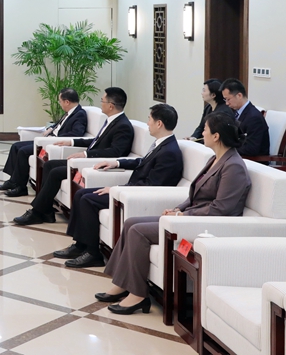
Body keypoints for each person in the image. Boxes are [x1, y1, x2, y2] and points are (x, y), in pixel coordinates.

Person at [98, 111, 251, 315]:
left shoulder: (233, 167)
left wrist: (182, 217)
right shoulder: (215, 159)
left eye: (205, 130)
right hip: (191, 218)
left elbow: (221, 209)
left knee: (138, 231)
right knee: (131, 222)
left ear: (216, 136)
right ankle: (122, 283)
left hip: (207, 226)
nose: (202, 133)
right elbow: (195, 195)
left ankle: (138, 294)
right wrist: (178, 208)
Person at [54, 103, 184, 268]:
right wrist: (116, 162)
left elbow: (152, 184)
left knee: (88, 200)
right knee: (81, 194)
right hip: (129, 190)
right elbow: (142, 162)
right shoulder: (162, 144)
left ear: (159, 123)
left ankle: (93, 253)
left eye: (149, 119)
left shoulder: (169, 152)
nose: (147, 123)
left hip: (135, 195)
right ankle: (80, 245)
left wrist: (117, 190)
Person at [13, 87, 134, 226]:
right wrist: (71, 141)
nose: (101, 103)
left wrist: (85, 154)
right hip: (88, 159)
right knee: (49, 165)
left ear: (111, 106)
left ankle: (37, 212)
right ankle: (46, 211)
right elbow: (96, 141)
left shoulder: (123, 126)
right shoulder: (111, 120)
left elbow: (115, 152)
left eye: (102, 101)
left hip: (96, 163)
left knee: (55, 172)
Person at [0, 88, 88, 197]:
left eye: (60, 101)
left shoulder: (79, 114)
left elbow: (76, 134)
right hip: (49, 138)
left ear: (67, 102)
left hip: (53, 143)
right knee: (15, 146)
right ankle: (13, 181)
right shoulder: (69, 112)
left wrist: (55, 138)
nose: (59, 104)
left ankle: (21, 187)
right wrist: (51, 128)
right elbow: (60, 124)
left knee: (23, 151)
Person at [220, 78, 270, 158]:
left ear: (239, 95)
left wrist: (227, 149)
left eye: (228, 99)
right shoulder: (236, 112)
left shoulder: (254, 117)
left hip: (254, 160)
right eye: (225, 99)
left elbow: (251, 149)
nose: (227, 103)